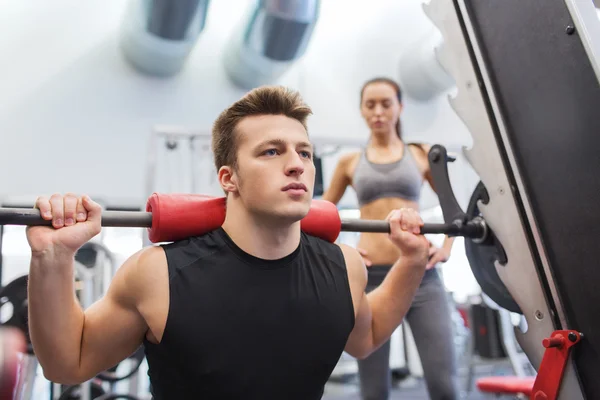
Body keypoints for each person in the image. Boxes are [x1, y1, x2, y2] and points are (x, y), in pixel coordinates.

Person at [25, 86, 430, 399]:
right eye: (271, 151)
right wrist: (52, 257)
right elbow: (69, 363)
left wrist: (411, 262)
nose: (296, 164)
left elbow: (367, 336)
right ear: (228, 178)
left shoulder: (344, 266)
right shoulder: (157, 274)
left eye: (304, 153)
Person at [321, 77, 459, 400]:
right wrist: (337, 251)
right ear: (362, 110)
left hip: (422, 278)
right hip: (370, 280)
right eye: (370, 105)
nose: (378, 112)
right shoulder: (349, 162)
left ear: (400, 107)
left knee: (444, 385)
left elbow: (456, 211)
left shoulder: (421, 154)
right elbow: (322, 217)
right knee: (374, 391)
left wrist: (448, 247)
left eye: (386, 103)